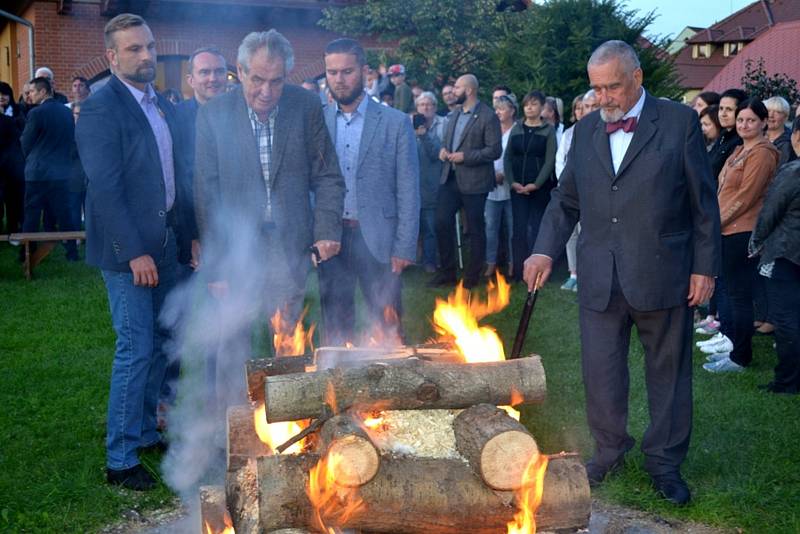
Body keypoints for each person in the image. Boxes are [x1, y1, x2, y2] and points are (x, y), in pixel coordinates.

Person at [523, 40, 720, 505]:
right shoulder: (587, 129)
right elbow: (565, 200)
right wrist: (543, 251)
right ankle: (609, 450)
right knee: (601, 372)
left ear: (637, 79)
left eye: (613, 87)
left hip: (662, 271)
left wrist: (704, 267)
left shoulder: (678, 123)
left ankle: (665, 464)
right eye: (597, 89)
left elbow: (703, 204)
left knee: (668, 373)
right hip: (599, 275)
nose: (604, 98)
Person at [75, 13, 189, 491]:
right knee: (135, 349)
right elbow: (105, 188)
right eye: (134, 49)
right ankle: (120, 458)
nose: (146, 56)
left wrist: (185, 234)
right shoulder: (103, 108)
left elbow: (171, 175)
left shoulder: (157, 103)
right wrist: (133, 252)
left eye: (148, 46)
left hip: (165, 244)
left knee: (161, 346)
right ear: (112, 56)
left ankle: (144, 431)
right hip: (130, 254)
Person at [194, 29, 345, 337]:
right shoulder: (214, 114)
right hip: (236, 244)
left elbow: (328, 175)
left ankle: (287, 386)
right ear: (240, 71)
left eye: (277, 81)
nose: (267, 91)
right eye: (258, 80)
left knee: (289, 336)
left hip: (287, 244)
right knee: (232, 338)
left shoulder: (305, 106)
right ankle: (233, 388)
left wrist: (327, 231)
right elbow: (206, 193)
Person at [319, 38, 419, 345]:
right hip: (331, 238)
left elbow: (408, 187)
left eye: (346, 71)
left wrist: (404, 245)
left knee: (387, 324)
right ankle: (340, 389)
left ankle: (393, 388)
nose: (339, 79)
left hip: (378, 237)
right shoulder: (317, 121)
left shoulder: (395, 122)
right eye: (332, 72)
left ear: (364, 72)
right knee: (336, 327)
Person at [703, 98, 779, 374]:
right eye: (741, 119)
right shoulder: (738, 150)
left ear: (763, 123)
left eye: (750, 120)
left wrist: (717, 221)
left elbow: (747, 197)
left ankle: (741, 357)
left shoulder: (762, 153)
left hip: (741, 230)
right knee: (731, 293)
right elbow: (723, 190)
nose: (744, 124)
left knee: (739, 296)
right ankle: (734, 349)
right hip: (725, 229)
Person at [431, 73, 502, 289]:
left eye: (458, 87)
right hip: (450, 179)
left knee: (475, 229)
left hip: (475, 182)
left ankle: (472, 275)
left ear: (469, 90)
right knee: (441, 222)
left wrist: (466, 156)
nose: (453, 91)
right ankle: (448, 272)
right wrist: (442, 151)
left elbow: (494, 150)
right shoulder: (453, 115)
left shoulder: (487, 116)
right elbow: (445, 143)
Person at [748, 137, 800, 394]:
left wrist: (756, 240)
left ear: (796, 138)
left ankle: (788, 381)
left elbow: (771, 211)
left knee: (787, 319)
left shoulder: (793, 171)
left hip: (788, 253)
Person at [20, 76, 78, 261]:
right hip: (61, 171)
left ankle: (26, 255)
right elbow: (70, 140)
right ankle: (72, 253)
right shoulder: (66, 112)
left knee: (32, 215)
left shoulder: (36, 113)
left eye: (32, 91)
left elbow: (25, 142)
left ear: (43, 91)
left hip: (37, 172)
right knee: (65, 214)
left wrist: (31, 158)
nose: (29, 95)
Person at [504, 90, 556, 283]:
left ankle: (538, 273)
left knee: (537, 228)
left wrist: (536, 184)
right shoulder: (516, 128)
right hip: (517, 187)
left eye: (534, 104)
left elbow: (550, 160)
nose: (530, 108)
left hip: (539, 188)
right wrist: (513, 182)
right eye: (527, 105)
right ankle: (518, 271)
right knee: (518, 230)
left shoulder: (548, 131)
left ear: (542, 107)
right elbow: (508, 157)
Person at [555, 90, 595, 291]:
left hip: (595, 197)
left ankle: (589, 275)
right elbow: (561, 161)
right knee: (571, 234)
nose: (585, 111)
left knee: (588, 234)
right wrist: (568, 185)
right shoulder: (570, 134)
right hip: (573, 192)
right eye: (582, 107)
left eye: (589, 107)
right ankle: (574, 273)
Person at [484, 93, 516, 278]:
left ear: (512, 110)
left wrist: (505, 174)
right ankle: (491, 263)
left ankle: (513, 264)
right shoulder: (491, 129)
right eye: (496, 109)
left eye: (502, 109)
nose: (498, 112)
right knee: (491, 227)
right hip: (491, 186)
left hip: (511, 187)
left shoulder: (517, 130)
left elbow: (517, 157)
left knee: (513, 229)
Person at [415, 91, 446, 273]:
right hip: (411, 187)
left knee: (430, 228)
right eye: (422, 105)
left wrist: (424, 135)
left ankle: (429, 261)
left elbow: (437, 153)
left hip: (431, 186)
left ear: (435, 107)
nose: (425, 108)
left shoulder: (442, 126)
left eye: (429, 105)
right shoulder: (406, 125)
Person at [0, 82, 25, 234]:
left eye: (4, 94)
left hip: (13, 164)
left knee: (14, 199)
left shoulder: (18, 111)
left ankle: (13, 228)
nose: (1, 97)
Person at [708, 88, 747, 182]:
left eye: (729, 109)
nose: (723, 114)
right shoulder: (723, 135)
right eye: (721, 109)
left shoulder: (741, 140)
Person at [764, 96, 795, 166]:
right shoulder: (757, 134)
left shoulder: (788, 144)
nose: (771, 115)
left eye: (777, 112)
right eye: (768, 111)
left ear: (785, 117)